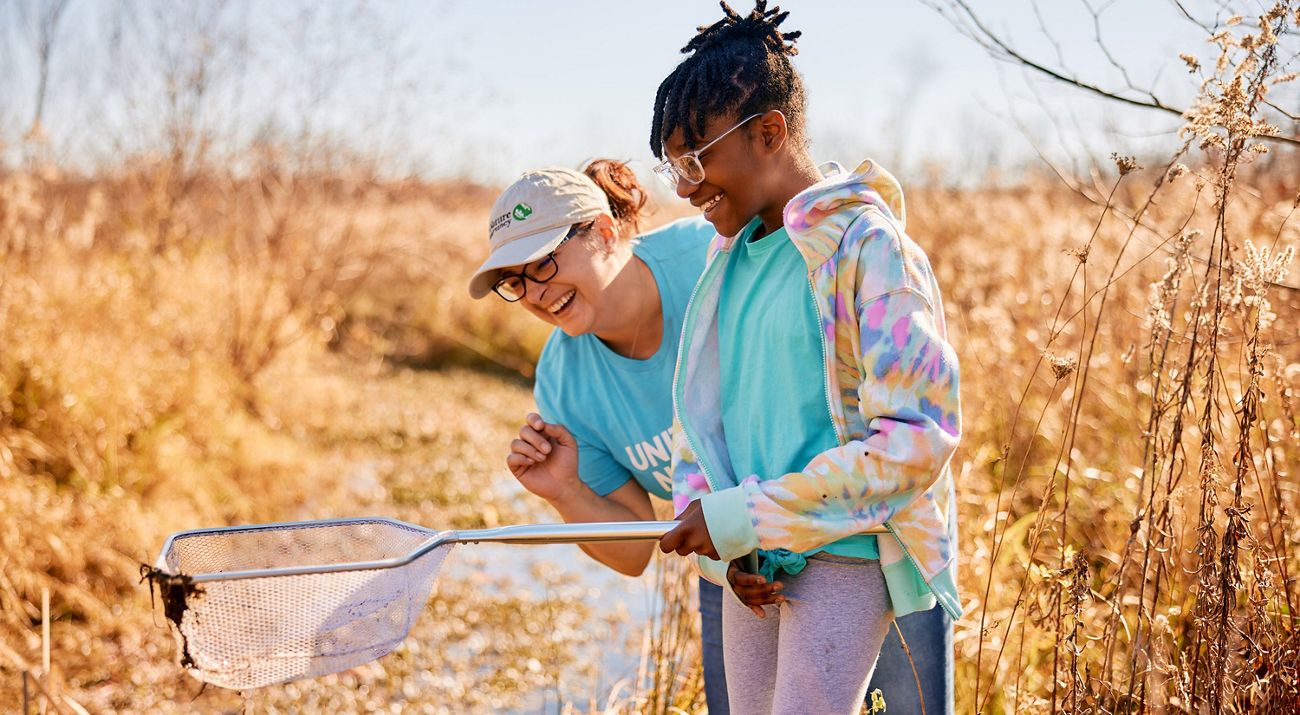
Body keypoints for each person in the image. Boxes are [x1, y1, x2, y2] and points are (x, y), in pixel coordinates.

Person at [652, 3, 963, 714]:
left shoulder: (867, 250)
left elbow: (915, 442)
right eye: (672, 165)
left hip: (845, 552)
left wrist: (747, 517)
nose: (684, 186)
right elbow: (706, 421)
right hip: (755, 561)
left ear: (769, 132)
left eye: (696, 159)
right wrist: (733, 541)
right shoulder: (724, 265)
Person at [466, 160, 734, 712]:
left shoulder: (713, 256)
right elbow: (636, 550)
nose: (535, 295)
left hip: (845, 527)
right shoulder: (564, 385)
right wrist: (566, 492)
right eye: (516, 282)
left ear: (606, 231)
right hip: (734, 570)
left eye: (543, 264)